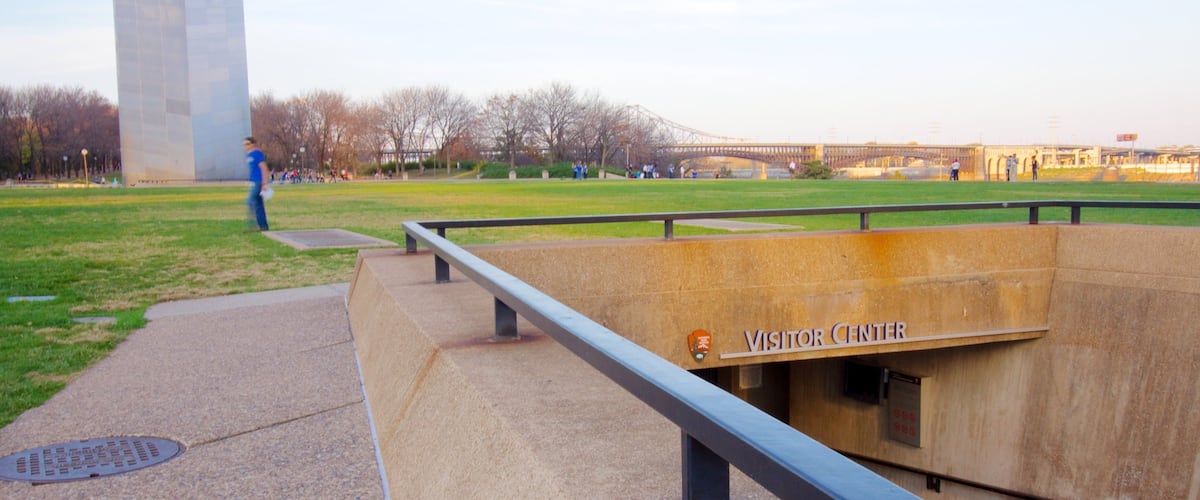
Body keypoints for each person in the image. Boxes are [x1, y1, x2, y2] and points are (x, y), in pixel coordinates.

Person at [244, 137, 270, 232]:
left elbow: (263, 167)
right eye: (244, 144)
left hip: (258, 182)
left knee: (249, 202)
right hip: (253, 181)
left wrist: (264, 182)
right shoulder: (248, 155)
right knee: (259, 204)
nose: (245, 146)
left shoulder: (257, 153)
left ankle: (252, 225)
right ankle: (263, 226)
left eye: (247, 144)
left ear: (253, 144)